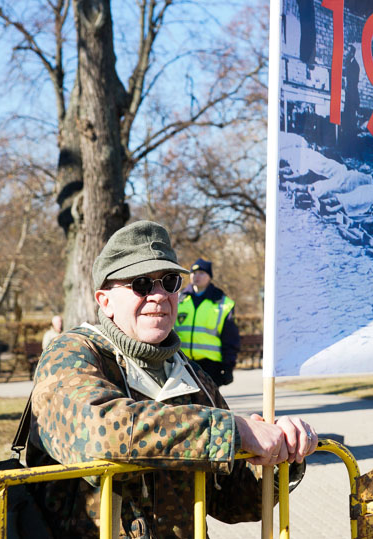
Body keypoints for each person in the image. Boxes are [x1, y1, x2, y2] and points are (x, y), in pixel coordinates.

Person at [28, 220, 317, 537]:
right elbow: (100, 432)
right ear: (104, 300)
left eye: (169, 282)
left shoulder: (191, 375)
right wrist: (232, 430)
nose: (158, 295)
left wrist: (281, 455)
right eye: (140, 284)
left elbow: (236, 501)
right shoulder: (71, 355)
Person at [176, 258, 241, 386]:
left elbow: (230, 339)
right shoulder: (178, 299)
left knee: (209, 405)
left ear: (209, 277)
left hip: (210, 366)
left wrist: (228, 367)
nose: (196, 276)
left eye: (202, 273)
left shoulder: (223, 303)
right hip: (181, 363)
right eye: (194, 273)